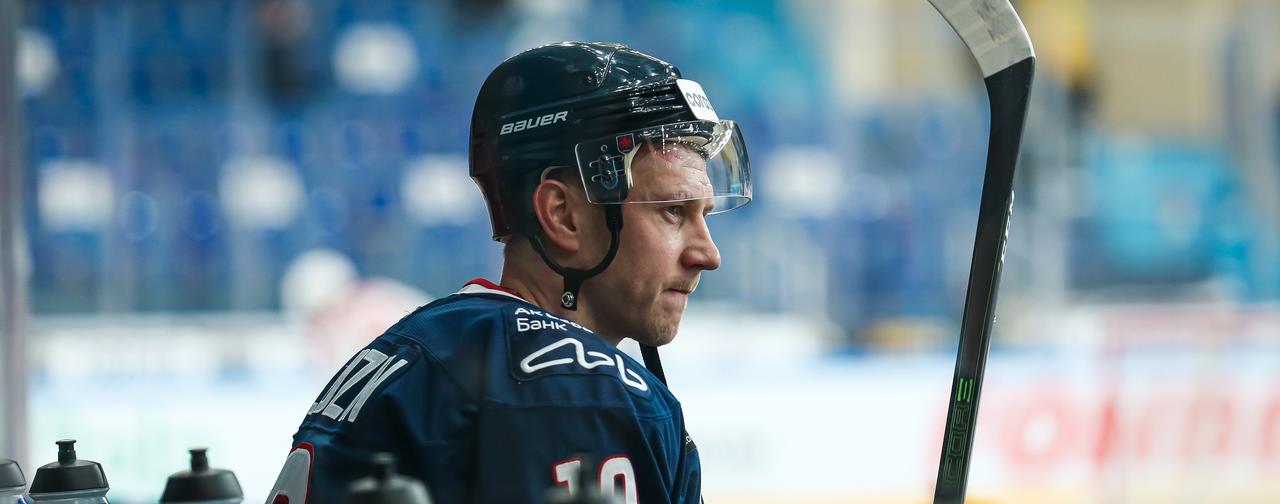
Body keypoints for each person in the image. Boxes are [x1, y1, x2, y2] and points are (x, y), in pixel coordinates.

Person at [265, 41, 752, 504]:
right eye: (672, 211)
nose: (708, 254)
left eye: (704, 215)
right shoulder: (577, 389)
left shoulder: (410, 346)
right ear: (563, 215)